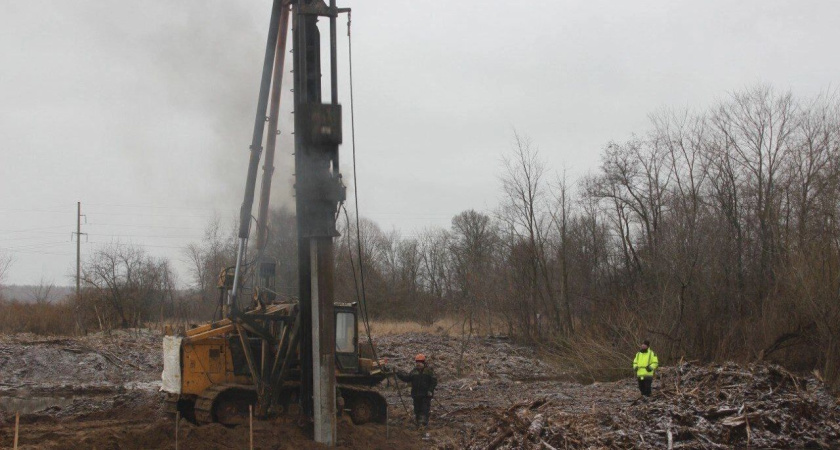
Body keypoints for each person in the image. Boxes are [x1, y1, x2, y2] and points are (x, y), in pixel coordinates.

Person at [396, 353, 438, 428]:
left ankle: (423, 424)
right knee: (417, 410)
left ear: (423, 363)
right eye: (417, 362)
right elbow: (407, 378)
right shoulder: (413, 372)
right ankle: (419, 424)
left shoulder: (429, 371)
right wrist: (398, 373)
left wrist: (430, 390)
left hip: (426, 394)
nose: (418, 364)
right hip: (416, 394)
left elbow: (434, 381)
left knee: (424, 409)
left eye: (420, 362)